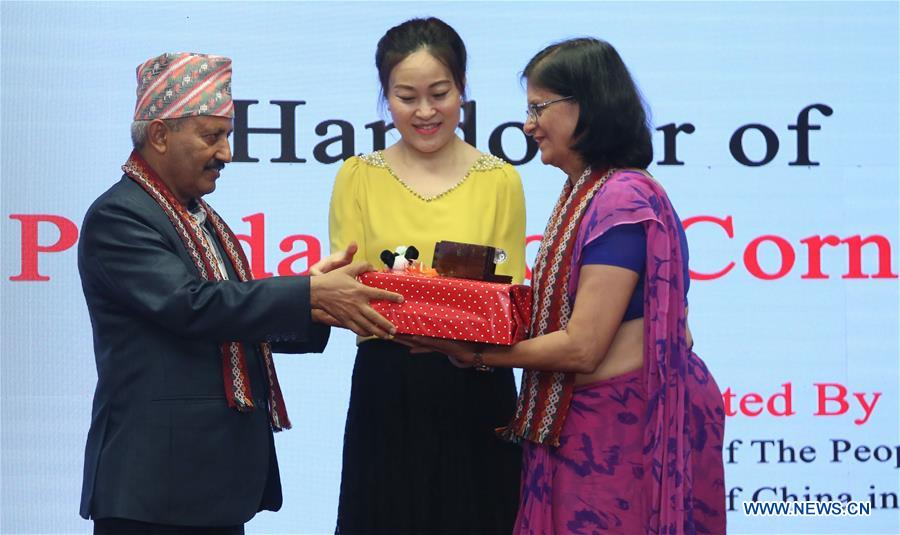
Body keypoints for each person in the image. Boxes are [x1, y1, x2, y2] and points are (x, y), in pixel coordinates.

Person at [403, 38, 727, 534]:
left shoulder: (621, 199)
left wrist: (477, 355)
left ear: (588, 105)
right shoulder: (585, 192)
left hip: (621, 434)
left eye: (538, 108)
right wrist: (451, 306)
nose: (529, 124)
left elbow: (582, 347)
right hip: (583, 427)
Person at [78, 52, 401, 534]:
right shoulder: (120, 217)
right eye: (212, 136)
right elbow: (193, 306)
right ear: (161, 135)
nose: (227, 153)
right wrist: (309, 293)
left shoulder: (198, 218)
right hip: (153, 489)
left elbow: (237, 312)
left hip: (211, 484)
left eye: (227, 136)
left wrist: (317, 302)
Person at [328, 17, 526, 535]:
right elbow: (349, 289)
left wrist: (448, 320)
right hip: (388, 384)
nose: (424, 112)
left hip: (478, 383)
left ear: (462, 89)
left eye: (439, 93)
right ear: (385, 97)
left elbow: (510, 295)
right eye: (405, 96)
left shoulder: (501, 179)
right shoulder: (357, 176)